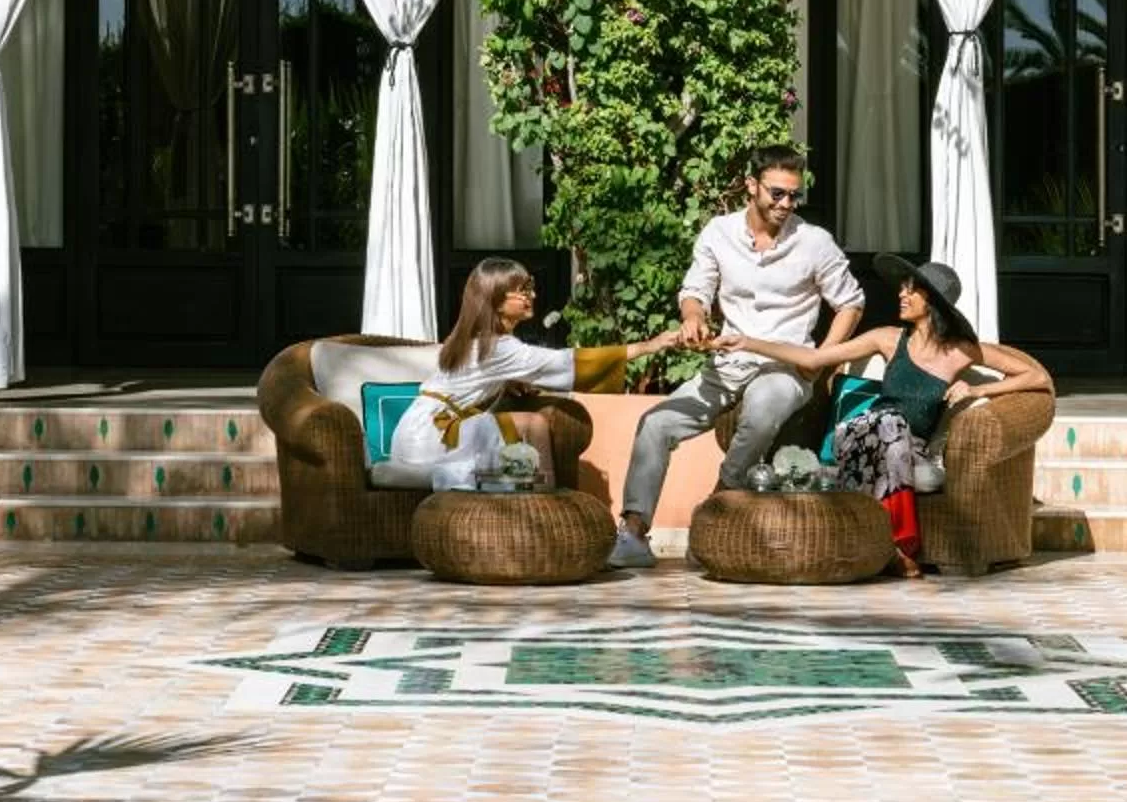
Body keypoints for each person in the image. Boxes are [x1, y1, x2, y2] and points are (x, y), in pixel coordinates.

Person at [609, 144, 864, 569]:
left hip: (785, 367)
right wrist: (692, 318)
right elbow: (695, 291)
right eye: (777, 193)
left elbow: (851, 303)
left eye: (793, 196)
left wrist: (822, 360)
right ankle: (634, 531)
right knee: (655, 423)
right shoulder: (719, 233)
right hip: (727, 363)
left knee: (764, 404)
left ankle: (717, 505)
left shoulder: (814, 242)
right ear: (751, 186)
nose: (786, 204)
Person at [719, 255, 1049, 576]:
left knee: (894, 427)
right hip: (861, 435)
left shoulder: (960, 351)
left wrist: (977, 391)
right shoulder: (888, 339)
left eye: (911, 290)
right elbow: (814, 358)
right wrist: (750, 343)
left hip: (909, 447)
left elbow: (1037, 377)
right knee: (886, 422)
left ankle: (878, 543)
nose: (901, 295)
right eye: (902, 287)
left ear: (932, 302)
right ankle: (899, 544)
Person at [386, 257, 674, 493]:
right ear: (497, 300)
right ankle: (544, 498)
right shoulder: (500, 348)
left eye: (530, 287)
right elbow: (568, 362)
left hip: (411, 435)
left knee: (516, 425)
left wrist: (506, 383)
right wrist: (649, 346)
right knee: (534, 423)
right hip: (432, 438)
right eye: (523, 290)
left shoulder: (472, 339)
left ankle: (524, 489)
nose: (532, 295)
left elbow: (471, 382)